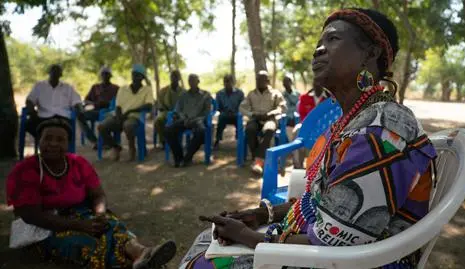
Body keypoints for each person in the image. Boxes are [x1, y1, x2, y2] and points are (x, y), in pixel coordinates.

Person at [181, 8, 437, 269]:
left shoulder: (382, 130)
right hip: (327, 251)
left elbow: (336, 241)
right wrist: (262, 214)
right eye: (318, 43)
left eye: (333, 39)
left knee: (204, 263)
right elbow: (321, 199)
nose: (318, 50)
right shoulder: (352, 120)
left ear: (371, 53)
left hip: (358, 262)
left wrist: (247, 236)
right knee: (206, 240)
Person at [6, 118, 176, 269]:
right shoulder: (26, 170)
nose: (53, 144)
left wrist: (99, 214)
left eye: (60, 139)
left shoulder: (77, 163)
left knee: (110, 225)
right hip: (44, 226)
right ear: (39, 141)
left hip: (81, 214)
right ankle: (139, 261)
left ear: (68, 143)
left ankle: (141, 253)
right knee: (85, 243)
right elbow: (31, 216)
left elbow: (98, 195)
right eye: (48, 138)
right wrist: (79, 225)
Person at [97, 64, 153, 161]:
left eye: (138, 75)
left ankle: (132, 147)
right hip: (119, 115)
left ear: (143, 77)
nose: (135, 77)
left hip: (135, 117)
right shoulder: (123, 89)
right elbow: (118, 106)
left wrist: (131, 111)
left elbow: (149, 105)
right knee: (102, 127)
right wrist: (119, 117)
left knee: (128, 125)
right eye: (133, 74)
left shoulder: (147, 90)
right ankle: (115, 146)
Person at [239, 70, 286, 175]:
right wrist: (252, 114)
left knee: (269, 130)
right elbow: (242, 108)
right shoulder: (251, 94)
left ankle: (258, 161)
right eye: (257, 79)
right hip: (255, 119)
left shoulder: (275, 93)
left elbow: (282, 107)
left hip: (269, 119)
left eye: (262, 79)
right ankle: (258, 159)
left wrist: (270, 113)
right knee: (249, 129)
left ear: (267, 81)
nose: (259, 81)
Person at [164, 74, 212, 167]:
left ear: (198, 82)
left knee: (201, 132)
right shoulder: (183, 95)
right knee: (168, 130)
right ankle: (178, 157)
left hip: (197, 120)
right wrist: (183, 118)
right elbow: (178, 109)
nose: (192, 83)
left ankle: (188, 157)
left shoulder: (205, 95)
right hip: (184, 119)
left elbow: (206, 112)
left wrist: (195, 119)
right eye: (190, 81)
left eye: (194, 80)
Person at [25, 64, 82, 141]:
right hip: (43, 116)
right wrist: (32, 111)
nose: (55, 73)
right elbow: (30, 100)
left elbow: (77, 101)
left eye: (57, 71)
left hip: (62, 117)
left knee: (64, 130)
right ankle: (43, 143)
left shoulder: (68, 87)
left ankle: (58, 147)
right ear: (49, 72)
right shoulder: (39, 85)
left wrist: (79, 109)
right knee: (29, 124)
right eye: (53, 70)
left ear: (61, 74)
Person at [78, 66, 119, 147]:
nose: (105, 76)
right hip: (96, 111)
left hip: (109, 113)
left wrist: (108, 104)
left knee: (111, 122)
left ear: (110, 76)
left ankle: (108, 142)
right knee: (80, 115)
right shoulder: (95, 87)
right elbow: (86, 100)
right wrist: (94, 104)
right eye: (103, 74)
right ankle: (94, 140)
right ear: (100, 75)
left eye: (107, 74)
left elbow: (120, 102)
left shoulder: (116, 88)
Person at [292, 87, 330, 169]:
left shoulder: (329, 98)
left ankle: (322, 166)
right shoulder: (305, 98)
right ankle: (298, 166)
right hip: (308, 126)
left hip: (325, 127)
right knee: (297, 131)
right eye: (315, 81)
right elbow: (303, 116)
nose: (317, 84)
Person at [154, 70, 186, 149]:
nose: (174, 78)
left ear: (179, 78)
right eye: (172, 76)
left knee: (180, 121)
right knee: (158, 120)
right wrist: (163, 109)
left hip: (179, 113)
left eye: (176, 76)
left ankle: (176, 141)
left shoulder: (183, 92)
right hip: (166, 111)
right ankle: (164, 141)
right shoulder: (164, 90)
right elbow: (159, 103)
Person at [214, 74, 245, 149]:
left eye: (229, 81)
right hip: (225, 114)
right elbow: (217, 107)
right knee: (221, 118)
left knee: (239, 120)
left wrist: (236, 111)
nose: (227, 83)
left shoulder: (240, 93)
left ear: (233, 82)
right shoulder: (219, 94)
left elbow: (243, 106)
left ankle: (239, 140)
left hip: (236, 114)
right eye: (225, 81)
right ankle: (217, 140)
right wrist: (223, 111)